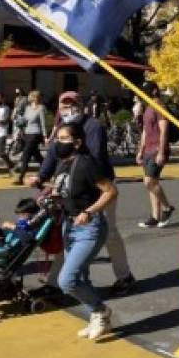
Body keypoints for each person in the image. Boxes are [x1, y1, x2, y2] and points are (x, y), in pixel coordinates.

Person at [32, 91, 135, 295]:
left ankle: (124, 277)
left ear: (81, 105)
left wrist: (72, 178)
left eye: (72, 104)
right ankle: (57, 283)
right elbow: (53, 156)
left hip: (97, 185)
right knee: (70, 233)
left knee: (109, 234)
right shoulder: (63, 129)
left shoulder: (92, 126)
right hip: (72, 187)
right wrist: (41, 177)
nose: (68, 108)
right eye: (64, 105)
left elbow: (94, 157)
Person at [51, 123, 118, 339]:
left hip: (89, 227)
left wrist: (89, 211)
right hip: (69, 226)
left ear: (77, 142)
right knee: (81, 277)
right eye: (57, 138)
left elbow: (110, 191)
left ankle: (101, 310)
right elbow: (61, 191)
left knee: (67, 280)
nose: (58, 143)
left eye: (63, 139)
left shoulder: (87, 164)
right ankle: (97, 318)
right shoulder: (63, 164)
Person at [136, 82, 175, 228]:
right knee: (152, 184)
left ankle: (167, 207)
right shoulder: (148, 107)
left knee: (149, 181)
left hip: (157, 149)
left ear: (154, 90)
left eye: (146, 90)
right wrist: (140, 150)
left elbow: (164, 130)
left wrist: (161, 152)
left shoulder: (160, 107)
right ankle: (155, 216)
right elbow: (145, 131)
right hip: (148, 149)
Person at [13, 90, 47, 185]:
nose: (33, 98)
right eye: (32, 97)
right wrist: (18, 120)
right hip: (26, 133)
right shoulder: (27, 108)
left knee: (25, 156)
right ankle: (49, 170)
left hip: (35, 134)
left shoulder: (41, 108)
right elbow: (24, 119)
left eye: (35, 97)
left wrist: (45, 136)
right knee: (38, 157)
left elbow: (43, 123)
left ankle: (20, 178)